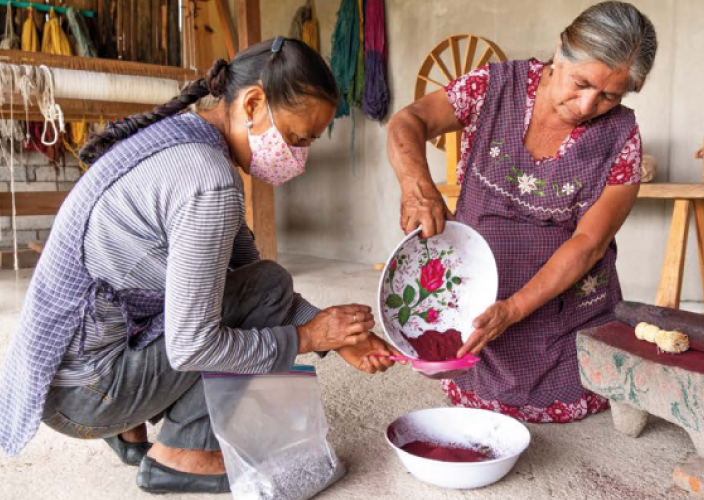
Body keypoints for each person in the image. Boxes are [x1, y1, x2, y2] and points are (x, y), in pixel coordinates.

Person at [0, 37, 398, 493]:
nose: (298, 158)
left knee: (258, 284)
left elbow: (247, 275)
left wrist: (337, 337)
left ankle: (129, 430)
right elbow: (194, 345)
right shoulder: (209, 183)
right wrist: (306, 338)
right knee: (254, 296)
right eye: (295, 138)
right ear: (252, 102)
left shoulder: (186, 140)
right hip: (85, 394)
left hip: (61, 373)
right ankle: (181, 456)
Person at [386, 2, 657, 423]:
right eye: (581, 82)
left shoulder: (622, 138)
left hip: (563, 311)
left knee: (570, 384)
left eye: (608, 95)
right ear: (559, 51)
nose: (587, 105)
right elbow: (409, 120)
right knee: (470, 359)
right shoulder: (493, 88)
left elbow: (588, 245)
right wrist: (417, 186)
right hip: (478, 293)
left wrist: (513, 310)